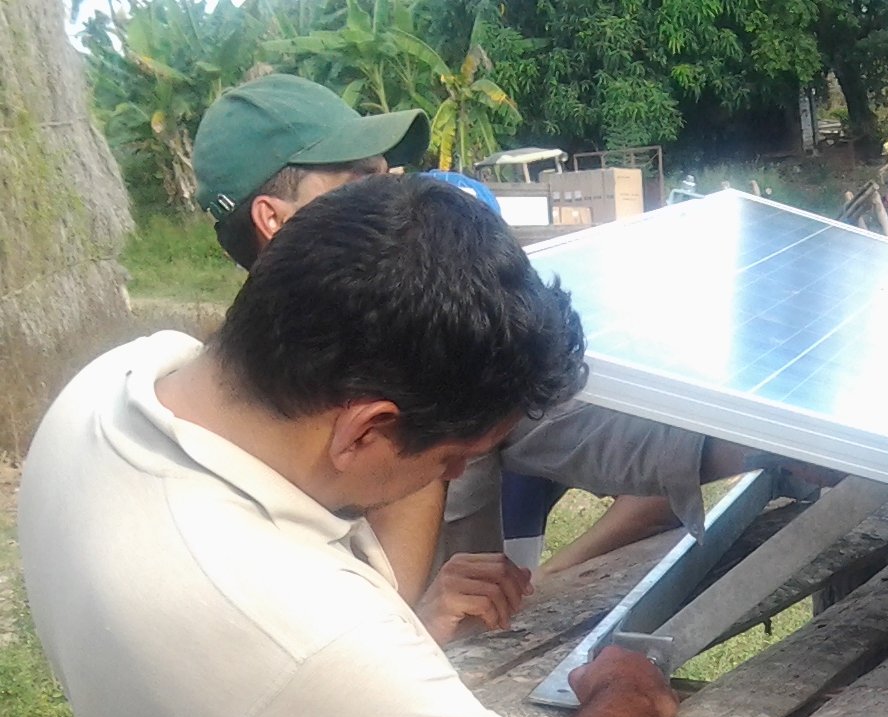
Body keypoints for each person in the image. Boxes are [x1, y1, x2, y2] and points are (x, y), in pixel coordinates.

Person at [19, 176, 679, 717]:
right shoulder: (299, 622)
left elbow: (266, 697)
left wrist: (405, 630)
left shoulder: (105, 394)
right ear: (366, 428)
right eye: (454, 456)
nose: (456, 474)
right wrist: (627, 689)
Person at [192, 73, 756, 601]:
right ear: (275, 220)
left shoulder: (453, 351)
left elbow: (610, 434)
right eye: (360, 181)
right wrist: (418, 623)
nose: (394, 190)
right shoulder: (219, 433)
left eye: (389, 173)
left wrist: (775, 439)